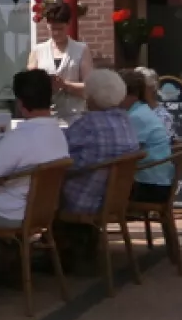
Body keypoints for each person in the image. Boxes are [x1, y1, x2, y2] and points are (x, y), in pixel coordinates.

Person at [0, 70, 69, 226]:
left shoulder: (22, 137)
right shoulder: (57, 133)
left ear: (19, 103)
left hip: (7, 212)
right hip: (40, 212)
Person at [59, 69, 139, 214]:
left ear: (92, 97)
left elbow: (59, 149)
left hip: (81, 199)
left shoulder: (88, 124)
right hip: (111, 201)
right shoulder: (126, 121)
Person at [27, 2, 93, 124]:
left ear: (68, 24)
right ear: (47, 25)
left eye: (60, 29)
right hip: (46, 119)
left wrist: (65, 85)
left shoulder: (81, 50)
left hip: (75, 118)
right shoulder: (37, 51)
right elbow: (30, 88)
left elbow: (89, 87)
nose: (56, 33)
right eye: (53, 29)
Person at [121, 69, 175, 203]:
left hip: (150, 188)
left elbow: (125, 153)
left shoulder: (136, 117)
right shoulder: (141, 111)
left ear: (128, 94)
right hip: (158, 184)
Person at [135, 66, 176, 142]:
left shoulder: (163, 117)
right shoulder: (132, 110)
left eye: (140, 88)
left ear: (152, 89)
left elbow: (164, 146)